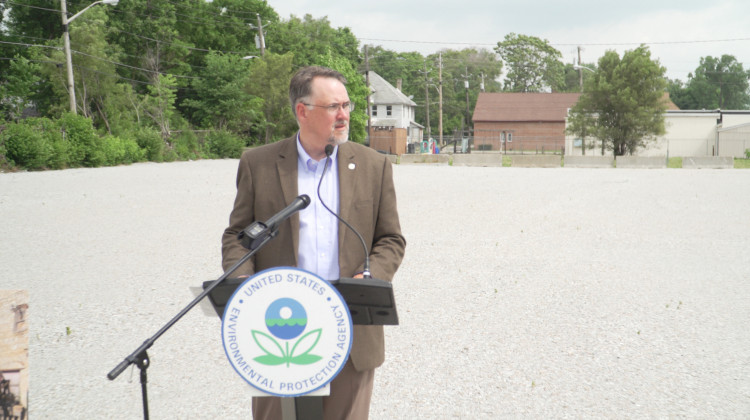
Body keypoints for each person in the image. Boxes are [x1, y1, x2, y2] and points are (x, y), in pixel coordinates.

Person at [221, 66, 406, 419]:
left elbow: (391, 238)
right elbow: (238, 234)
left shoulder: (373, 165)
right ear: (302, 111)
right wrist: (243, 279)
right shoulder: (257, 163)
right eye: (333, 107)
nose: (344, 115)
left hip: (349, 325)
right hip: (277, 327)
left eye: (347, 105)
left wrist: (371, 273)